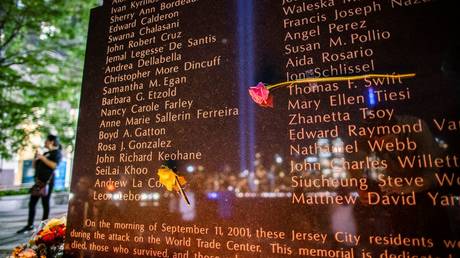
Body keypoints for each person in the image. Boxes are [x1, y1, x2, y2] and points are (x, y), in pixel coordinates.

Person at [17, 134, 62, 233]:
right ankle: (30, 225)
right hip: (38, 182)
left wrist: (42, 158)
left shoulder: (57, 153)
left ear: (51, 142)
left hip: (47, 183)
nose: (45, 142)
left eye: (46, 140)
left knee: (45, 203)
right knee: (32, 203)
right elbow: (34, 166)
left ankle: (44, 227)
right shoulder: (45, 153)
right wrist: (36, 157)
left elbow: (54, 166)